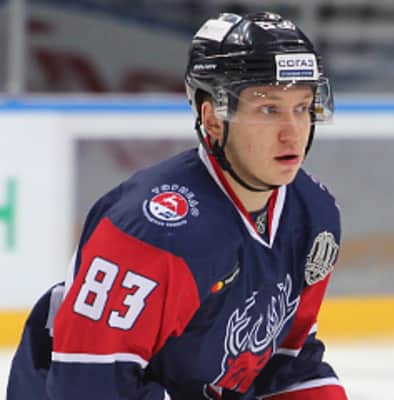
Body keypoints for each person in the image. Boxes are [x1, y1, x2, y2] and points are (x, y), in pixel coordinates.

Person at [7, 11, 348, 400]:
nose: (292, 132)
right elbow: (89, 385)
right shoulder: (153, 230)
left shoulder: (314, 215)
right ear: (213, 119)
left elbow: (285, 366)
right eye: (268, 109)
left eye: (302, 107)